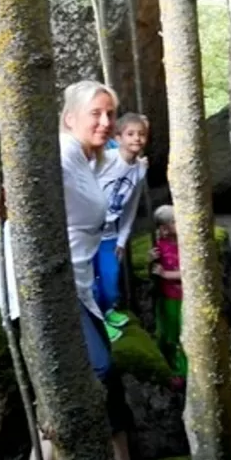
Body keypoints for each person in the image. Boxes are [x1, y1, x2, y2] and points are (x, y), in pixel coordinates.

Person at [0, 80, 188, 460]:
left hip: (76, 293)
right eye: (95, 113)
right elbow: (24, 179)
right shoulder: (61, 153)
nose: (105, 122)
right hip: (43, 296)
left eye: (110, 114)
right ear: (69, 119)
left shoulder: (92, 160)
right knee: (90, 379)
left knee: (109, 386)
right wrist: (0, 199)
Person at [93, 112, 149, 341]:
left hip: (109, 234)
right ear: (118, 136)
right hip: (86, 231)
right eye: (130, 134)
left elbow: (131, 206)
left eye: (142, 134)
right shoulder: (106, 159)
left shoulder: (139, 169)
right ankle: (98, 322)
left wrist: (122, 239)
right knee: (88, 280)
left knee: (110, 277)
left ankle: (107, 311)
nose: (137, 139)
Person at [150, 204, 187, 380]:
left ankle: (184, 372)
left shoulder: (187, 244)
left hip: (184, 298)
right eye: (174, 221)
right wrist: (151, 261)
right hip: (167, 298)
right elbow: (153, 271)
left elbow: (190, 272)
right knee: (167, 334)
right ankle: (171, 369)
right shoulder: (160, 245)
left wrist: (166, 274)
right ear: (164, 228)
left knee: (183, 335)